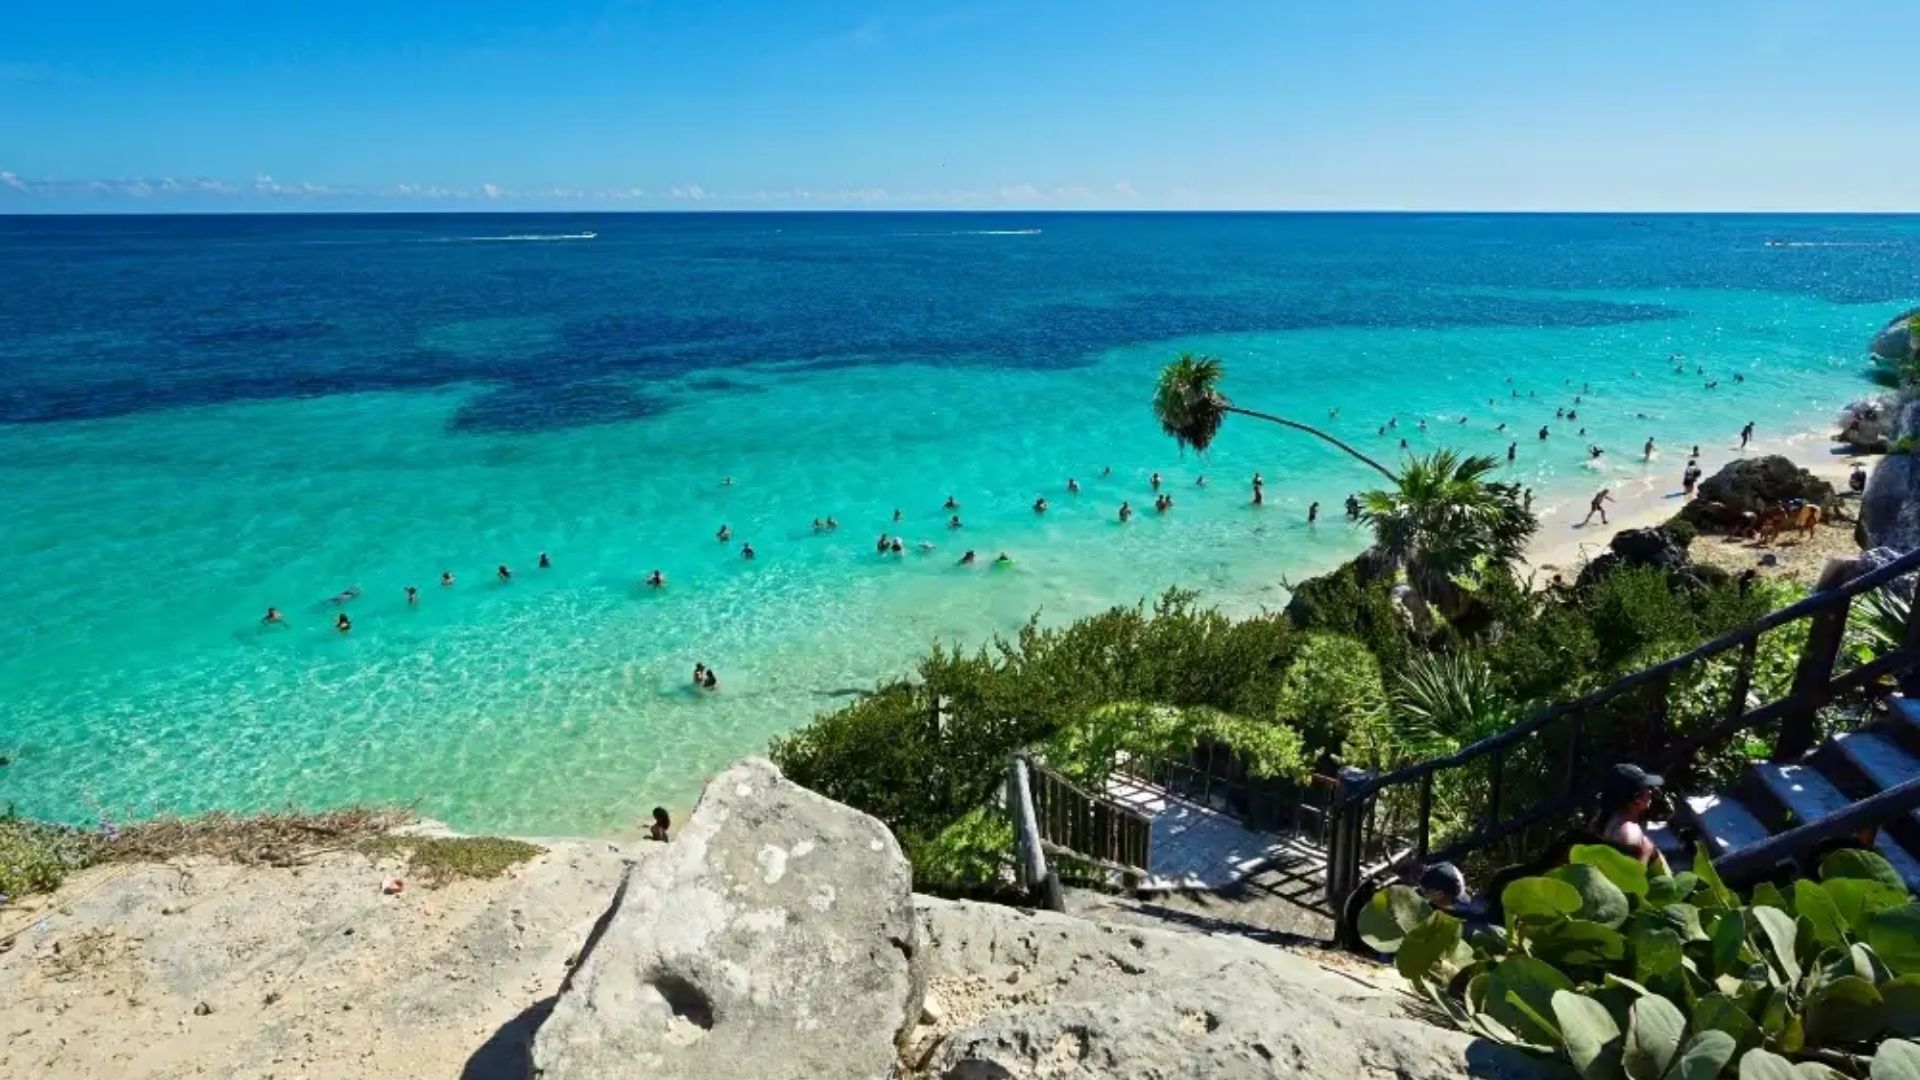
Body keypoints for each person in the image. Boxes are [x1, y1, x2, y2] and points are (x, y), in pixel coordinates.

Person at [1595, 763, 1669, 871]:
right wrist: (1645, 853)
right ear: (1636, 798)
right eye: (1646, 788)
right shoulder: (1629, 832)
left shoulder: (1606, 820)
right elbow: (1631, 880)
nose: (1650, 791)